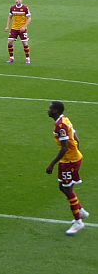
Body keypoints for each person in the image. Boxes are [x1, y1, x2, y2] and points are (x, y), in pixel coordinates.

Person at [46, 101, 90, 236]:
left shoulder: (61, 125)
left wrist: (52, 164)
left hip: (69, 161)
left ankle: (78, 222)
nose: (48, 110)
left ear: (55, 110)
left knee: (67, 188)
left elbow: (64, 147)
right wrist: (77, 149)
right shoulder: (64, 119)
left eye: (50, 108)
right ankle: (81, 211)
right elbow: (76, 136)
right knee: (62, 187)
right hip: (70, 159)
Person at [4, 0, 32, 65]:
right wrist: (7, 26)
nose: (17, 1)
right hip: (14, 28)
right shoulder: (12, 8)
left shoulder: (25, 8)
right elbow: (10, 17)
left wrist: (24, 27)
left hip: (22, 29)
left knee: (25, 43)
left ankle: (28, 59)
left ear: (21, 0)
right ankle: (11, 58)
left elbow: (29, 18)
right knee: (9, 42)